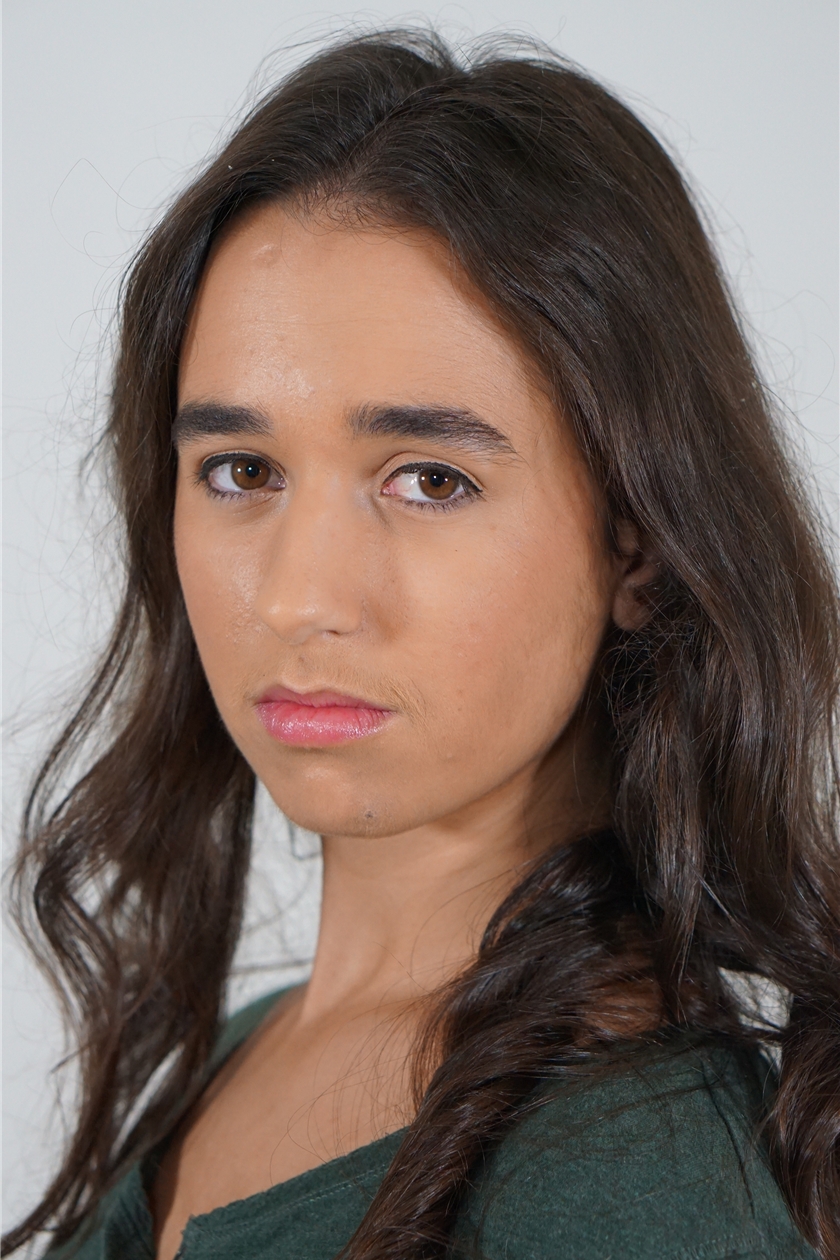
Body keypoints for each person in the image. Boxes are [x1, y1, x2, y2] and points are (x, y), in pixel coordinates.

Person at [3, 28, 838, 1260]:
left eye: (430, 480)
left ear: (641, 545)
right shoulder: (241, 1053)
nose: (300, 597)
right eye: (242, 470)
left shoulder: (632, 1186)